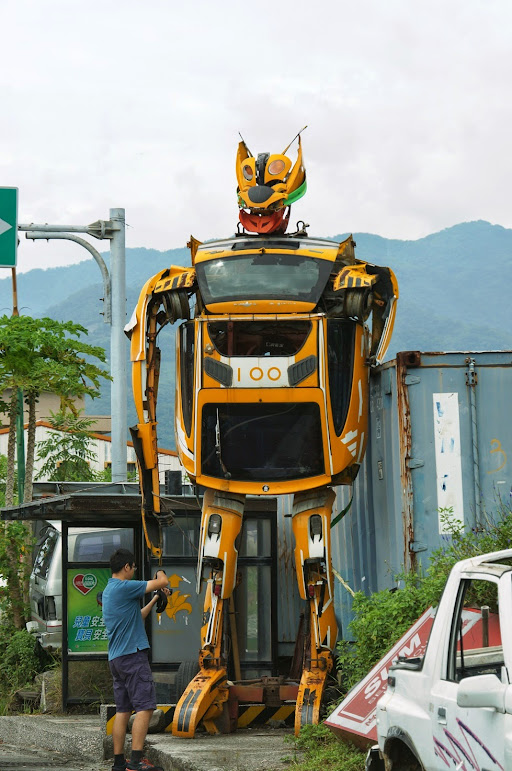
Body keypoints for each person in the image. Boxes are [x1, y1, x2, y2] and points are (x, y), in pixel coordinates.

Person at [102, 548, 170, 771]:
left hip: (117, 658)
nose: (134, 571)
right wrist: (160, 572)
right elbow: (162, 581)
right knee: (146, 707)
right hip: (132, 656)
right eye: (133, 567)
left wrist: (156, 599)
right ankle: (137, 761)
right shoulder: (125, 586)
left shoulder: (110, 591)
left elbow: (136, 616)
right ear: (126, 567)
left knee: (123, 710)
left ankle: (119, 763)